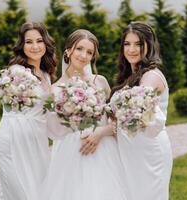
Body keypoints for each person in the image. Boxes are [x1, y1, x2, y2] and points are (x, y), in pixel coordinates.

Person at [39, 29, 127, 200]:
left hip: (103, 148)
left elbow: (116, 121)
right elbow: (55, 131)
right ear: (68, 50)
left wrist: (101, 132)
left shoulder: (100, 82)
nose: (83, 55)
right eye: (79, 49)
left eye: (89, 52)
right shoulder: (56, 89)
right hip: (72, 150)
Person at [0, 22, 56, 200]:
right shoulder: (16, 71)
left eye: (39, 40)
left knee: (38, 191)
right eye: (29, 42)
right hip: (15, 139)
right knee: (20, 192)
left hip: (37, 141)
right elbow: (11, 106)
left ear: (46, 43)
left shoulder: (46, 74)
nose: (35, 46)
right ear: (22, 45)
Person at [111, 21, 173, 200]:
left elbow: (133, 112)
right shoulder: (131, 75)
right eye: (127, 44)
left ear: (149, 45)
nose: (132, 49)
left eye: (138, 44)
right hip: (132, 149)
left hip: (148, 151)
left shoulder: (150, 77)